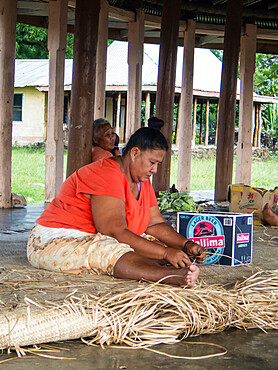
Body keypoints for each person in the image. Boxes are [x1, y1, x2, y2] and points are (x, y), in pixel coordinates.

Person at [27, 127, 206, 286]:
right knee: (108, 251)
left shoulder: (142, 181)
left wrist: (185, 244)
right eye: (152, 163)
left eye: (158, 164)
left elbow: (154, 224)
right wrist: (166, 254)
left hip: (96, 235)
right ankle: (169, 276)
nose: (155, 170)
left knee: (154, 245)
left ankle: (170, 269)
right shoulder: (106, 173)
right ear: (135, 153)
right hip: (56, 239)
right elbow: (113, 232)